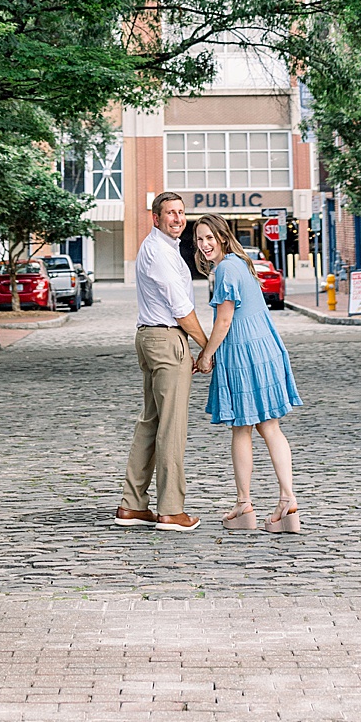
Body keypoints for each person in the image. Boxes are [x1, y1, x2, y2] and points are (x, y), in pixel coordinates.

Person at [192, 214, 302, 533]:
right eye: (199, 239)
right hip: (265, 349)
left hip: (243, 353)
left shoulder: (225, 268)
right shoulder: (241, 262)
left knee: (242, 429)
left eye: (210, 237)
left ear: (223, 236)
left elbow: (224, 322)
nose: (205, 244)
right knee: (270, 427)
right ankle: (287, 501)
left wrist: (205, 356)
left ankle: (244, 505)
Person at [115, 191, 209, 533]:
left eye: (181, 212)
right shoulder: (159, 252)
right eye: (170, 213)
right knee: (171, 426)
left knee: (151, 422)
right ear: (156, 218)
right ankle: (171, 510)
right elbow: (181, 309)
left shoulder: (162, 249)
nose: (177, 218)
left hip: (153, 337)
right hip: (166, 339)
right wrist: (208, 347)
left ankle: (133, 504)